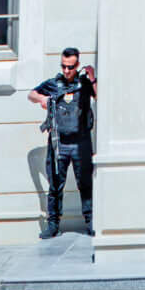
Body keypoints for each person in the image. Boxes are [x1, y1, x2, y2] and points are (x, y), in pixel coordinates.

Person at [26, 47, 96, 239]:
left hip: (81, 142)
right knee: (55, 185)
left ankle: (91, 223)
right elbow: (31, 94)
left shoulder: (84, 83)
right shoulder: (54, 83)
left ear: (78, 65)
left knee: (86, 183)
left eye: (71, 67)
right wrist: (43, 98)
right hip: (59, 143)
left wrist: (92, 77)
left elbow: (101, 96)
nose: (66, 71)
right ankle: (53, 225)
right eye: (64, 67)